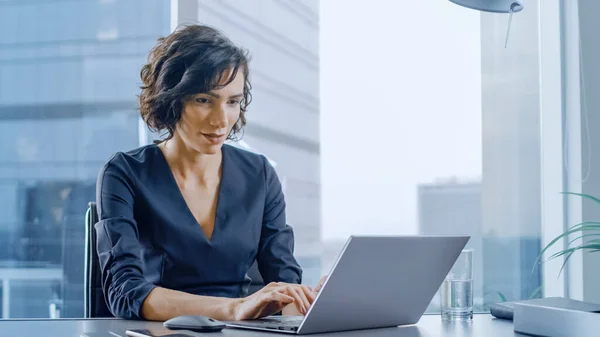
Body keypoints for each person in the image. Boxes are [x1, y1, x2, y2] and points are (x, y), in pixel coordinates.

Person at [95, 24, 325, 322]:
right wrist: (233, 308)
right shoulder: (125, 172)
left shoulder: (260, 174)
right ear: (171, 99)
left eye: (233, 101)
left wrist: (313, 301)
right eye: (203, 100)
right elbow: (124, 291)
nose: (221, 120)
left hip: (241, 330)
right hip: (160, 330)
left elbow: (283, 286)